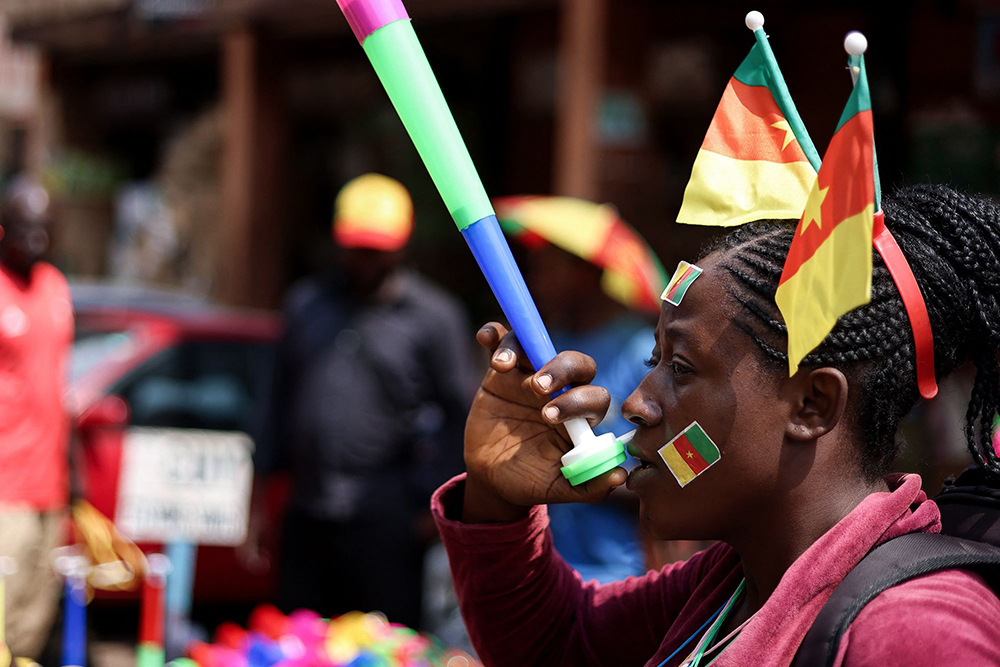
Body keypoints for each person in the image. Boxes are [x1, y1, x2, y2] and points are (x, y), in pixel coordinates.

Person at [431, 184, 1000, 665]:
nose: (635, 404)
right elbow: (556, 644)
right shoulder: (732, 581)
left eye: (679, 368)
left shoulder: (917, 635)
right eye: (653, 360)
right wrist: (495, 496)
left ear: (811, 405)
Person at [251, 173, 473, 628]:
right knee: (299, 644)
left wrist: (439, 507)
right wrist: (257, 504)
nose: (365, 260)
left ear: (402, 245)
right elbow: (275, 402)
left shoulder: (434, 318)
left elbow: (463, 415)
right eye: (357, 248)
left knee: (385, 646)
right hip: (307, 514)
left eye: (377, 249)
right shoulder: (307, 304)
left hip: (387, 522)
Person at [524, 243, 651, 583]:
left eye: (547, 269)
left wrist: (592, 474)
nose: (536, 283)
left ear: (584, 273)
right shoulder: (545, 349)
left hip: (618, 570)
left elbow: (668, 470)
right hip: (547, 565)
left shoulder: (639, 350)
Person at [0, 176, 73, 660]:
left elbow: (60, 386)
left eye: (45, 229)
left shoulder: (55, 285)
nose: (37, 240)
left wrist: (76, 472)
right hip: (5, 487)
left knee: (34, 621)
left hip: (51, 485)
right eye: (26, 228)